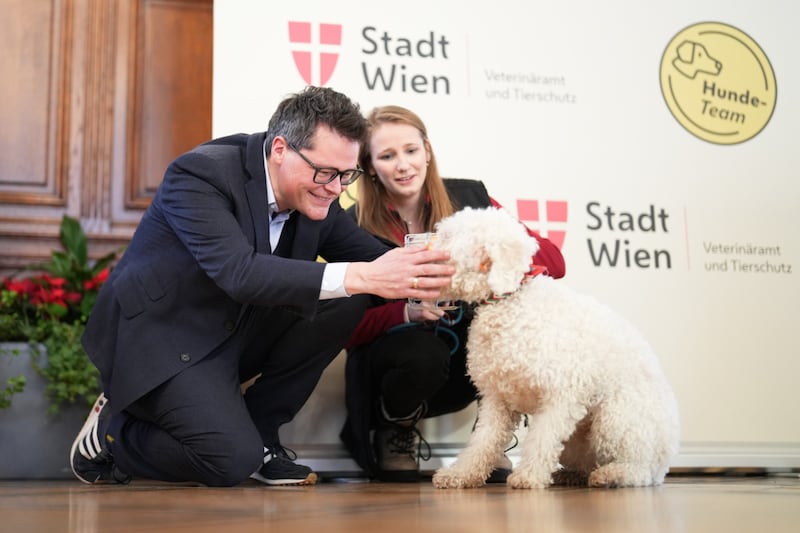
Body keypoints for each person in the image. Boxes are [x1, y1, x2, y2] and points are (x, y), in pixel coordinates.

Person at [69, 87, 455, 488]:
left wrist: (447, 270)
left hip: (232, 330)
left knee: (347, 300)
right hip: (165, 337)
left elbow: (379, 258)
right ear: (281, 149)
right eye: (325, 173)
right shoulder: (201, 175)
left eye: (346, 175)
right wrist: (360, 275)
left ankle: (262, 436)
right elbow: (239, 272)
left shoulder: (319, 194)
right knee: (229, 462)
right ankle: (114, 435)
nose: (336, 188)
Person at [339, 105, 566, 482]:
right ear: (370, 166)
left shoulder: (471, 198)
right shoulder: (352, 226)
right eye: (387, 155)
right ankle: (397, 429)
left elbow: (554, 263)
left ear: (427, 151)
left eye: (411, 150)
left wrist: (488, 244)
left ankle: (492, 444)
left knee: (506, 322)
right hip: (395, 366)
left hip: (463, 356)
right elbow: (343, 330)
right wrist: (406, 313)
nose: (403, 165)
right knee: (420, 350)